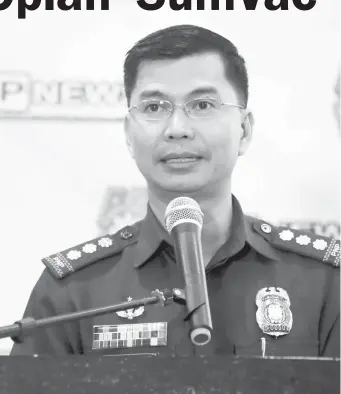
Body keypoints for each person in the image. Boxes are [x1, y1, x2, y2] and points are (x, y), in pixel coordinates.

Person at [10, 25, 340, 357]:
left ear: (244, 129)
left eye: (202, 105)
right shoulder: (73, 290)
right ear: (128, 134)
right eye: (154, 108)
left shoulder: (323, 280)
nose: (177, 129)